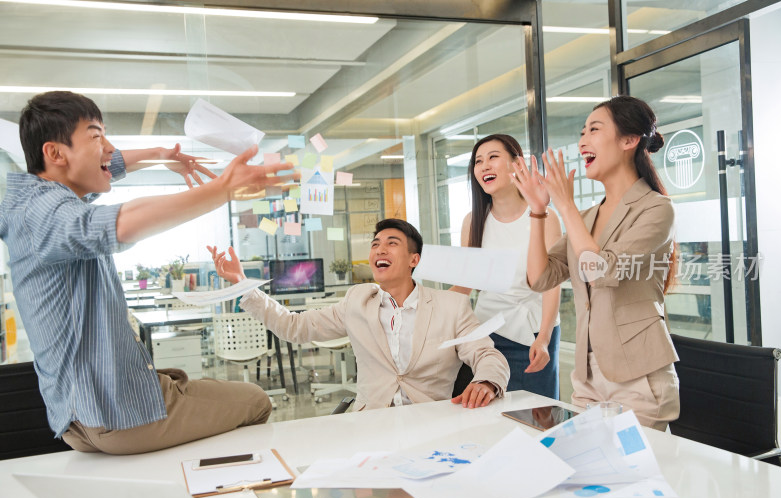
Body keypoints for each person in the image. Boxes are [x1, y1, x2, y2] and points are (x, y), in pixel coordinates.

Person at [0, 91, 299, 454]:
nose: (108, 147)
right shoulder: (46, 212)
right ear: (55, 153)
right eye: (96, 136)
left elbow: (108, 168)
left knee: (193, 388)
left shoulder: (37, 203)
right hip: (118, 415)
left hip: (82, 417)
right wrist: (222, 189)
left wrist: (161, 156)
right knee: (255, 401)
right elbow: (118, 224)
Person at [208, 218, 510, 410]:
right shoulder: (357, 301)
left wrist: (486, 382)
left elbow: (487, 356)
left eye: (392, 244)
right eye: (375, 245)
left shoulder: (451, 306)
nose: (380, 250)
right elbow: (294, 327)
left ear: (413, 259)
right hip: (371, 424)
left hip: (429, 421)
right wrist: (242, 285)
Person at [514, 95, 679, 430]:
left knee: (634, 476)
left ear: (629, 140)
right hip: (587, 378)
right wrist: (538, 210)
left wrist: (565, 205)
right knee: (589, 475)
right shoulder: (586, 218)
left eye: (594, 129)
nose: (582, 140)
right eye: (582, 132)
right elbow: (540, 278)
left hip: (639, 376)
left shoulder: (656, 208)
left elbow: (601, 271)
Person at [450, 134, 563, 399]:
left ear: (516, 164)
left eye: (493, 157)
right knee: (487, 415)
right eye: (478, 162)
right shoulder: (473, 220)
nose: (484, 166)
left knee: (536, 414)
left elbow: (552, 285)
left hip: (535, 333)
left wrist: (545, 337)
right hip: (486, 334)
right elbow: (466, 284)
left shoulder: (544, 216)